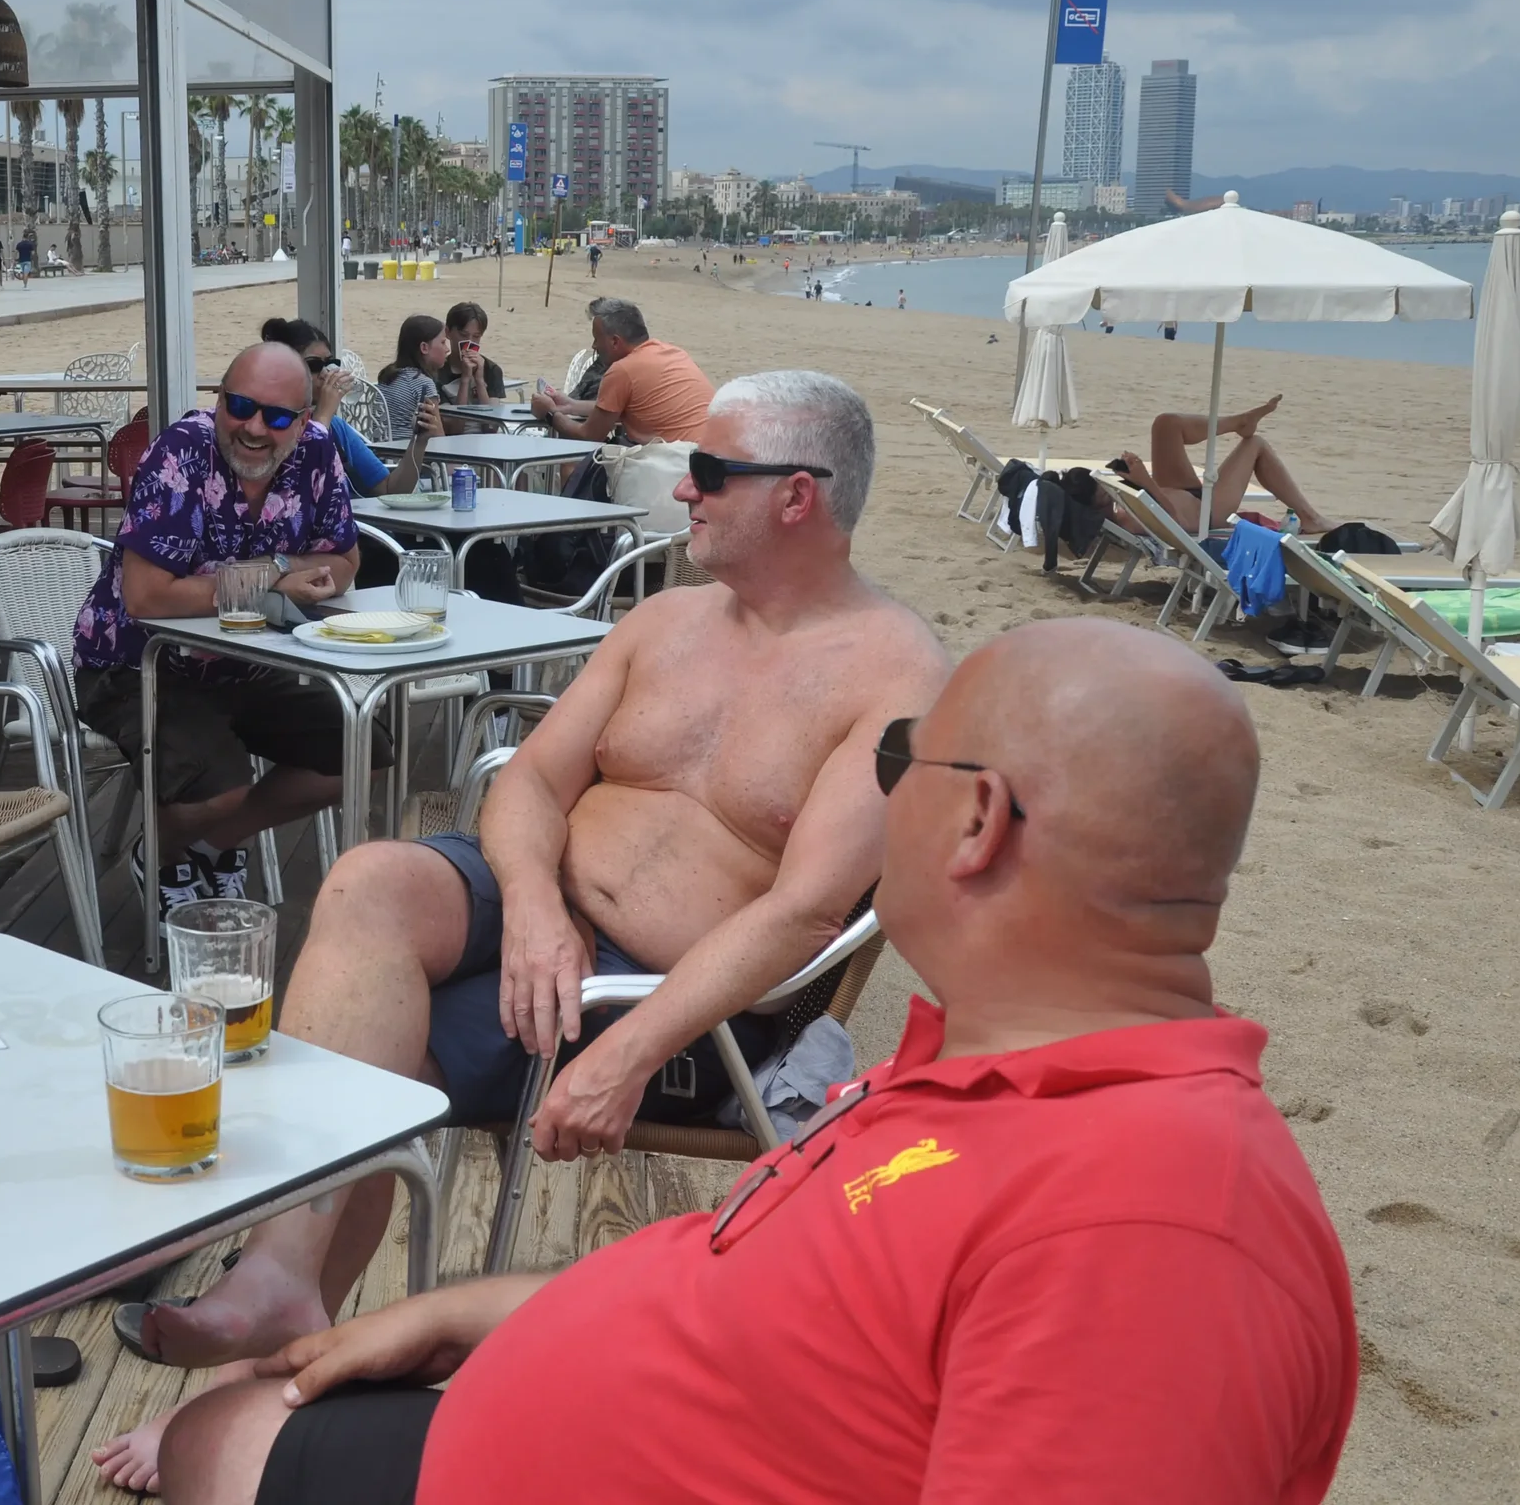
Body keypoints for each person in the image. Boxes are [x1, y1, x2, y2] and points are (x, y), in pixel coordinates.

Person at [149, 618, 1358, 1505]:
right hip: (575, 1409)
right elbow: (794, 1327)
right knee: (227, 1427)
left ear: (978, 821)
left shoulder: (1155, 1236)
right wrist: (486, 1312)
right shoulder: (1008, 1076)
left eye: (900, 768)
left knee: (222, 1443)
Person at [93, 372, 947, 1493]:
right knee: (368, 881)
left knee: (384, 1054)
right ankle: (279, 1279)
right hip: (541, 915)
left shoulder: (895, 675)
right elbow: (531, 780)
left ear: (797, 496)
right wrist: (535, 908)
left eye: (710, 472)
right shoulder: (663, 619)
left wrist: (631, 1050)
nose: (681, 487)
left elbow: (807, 914)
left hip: (673, 998)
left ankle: (266, 1373)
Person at [73, 342, 374, 910]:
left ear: (303, 421)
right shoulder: (181, 453)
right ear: (218, 401)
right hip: (136, 664)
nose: (255, 427)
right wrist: (267, 582)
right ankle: (165, 855)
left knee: (360, 751)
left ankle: (208, 847)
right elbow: (147, 597)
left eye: (277, 416)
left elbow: (344, 561)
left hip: (250, 661)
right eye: (240, 406)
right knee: (221, 787)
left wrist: (276, 569)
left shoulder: (316, 453)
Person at [261, 318, 439, 499]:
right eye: (314, 365)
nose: (326, 373)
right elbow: (298, 496)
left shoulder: (336, 428)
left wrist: (419, 441)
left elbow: (390, 490)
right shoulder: (271, 427)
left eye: (330, 363)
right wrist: (323, 414)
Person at [1108, 395, 1329, 535]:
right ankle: (1311, 518)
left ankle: (1238, 421)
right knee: (1255, 444)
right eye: (1100, 493)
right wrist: (1146, 481)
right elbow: (1176, 523)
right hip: (1208, 513)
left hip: (1179, 492)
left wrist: (1135, 478)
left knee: (1166, 423)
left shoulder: (1117, 507)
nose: (1103, 491)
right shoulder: (1126, 521)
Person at [528, 297, 713, 445]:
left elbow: (588, 435)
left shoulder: (622, 370)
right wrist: (570, 405)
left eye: (596, 339)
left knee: (573, 463)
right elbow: (614, 408)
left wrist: (550, 414)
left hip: (673, 466)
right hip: (708, 458)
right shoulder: (673, 353)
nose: (594, 346)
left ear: (615, 341)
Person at [374, 315, 451, 438]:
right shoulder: (423, 384)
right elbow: (438, 436)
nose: (447, 349)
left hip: (381, 451)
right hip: (409, 453)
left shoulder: (388, 376)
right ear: (424, 348)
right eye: (443, 342)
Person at [437, 302, 504, 407]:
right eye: (463, 335)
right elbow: (454, 421)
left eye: (476, 336)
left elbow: (491, 420)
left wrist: (479, 381)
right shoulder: (437, 371)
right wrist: (465, 378)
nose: (469, 342)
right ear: (448, 332)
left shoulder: (491, 369)